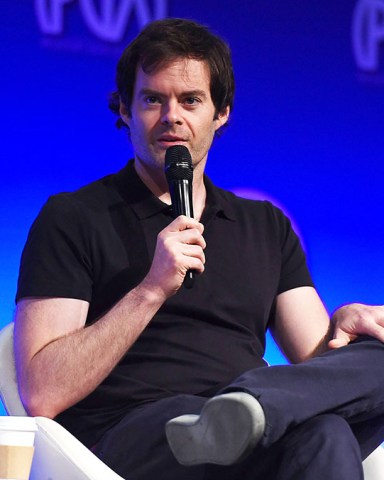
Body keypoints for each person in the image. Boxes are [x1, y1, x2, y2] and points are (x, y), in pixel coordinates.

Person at [14, 18, 384, 480]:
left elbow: (319, 366)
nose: (172, 116)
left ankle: (252, 411)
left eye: (191, 100)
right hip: (138, 432)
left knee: (348, 396)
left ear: (221, 112)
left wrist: (343, 326)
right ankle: (250, 414)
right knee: (318, 431)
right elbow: (43, 391)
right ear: (126, 110)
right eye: (153, 99)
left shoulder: (264, 226)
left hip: (251, 419)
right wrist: (149, 290)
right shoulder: (74, 217)